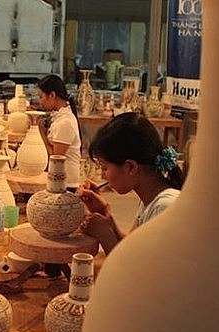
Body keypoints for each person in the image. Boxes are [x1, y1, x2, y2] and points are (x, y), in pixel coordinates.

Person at [79, 112, 184, 254]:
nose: (103, 175)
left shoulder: (164, 207)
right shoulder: (150, 199)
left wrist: (104, 234)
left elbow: (137, 271)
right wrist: (107, 218)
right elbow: (130, 247)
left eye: (105, 167)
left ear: (131, 167)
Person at [36, 74, 82, 191]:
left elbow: (56, 159)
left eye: (41, 97)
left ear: (52, 95)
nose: (40, 101)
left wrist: (41, 132)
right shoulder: (59, 117)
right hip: (60, 179)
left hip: (67, 182)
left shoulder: (65, 122)